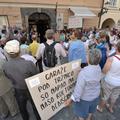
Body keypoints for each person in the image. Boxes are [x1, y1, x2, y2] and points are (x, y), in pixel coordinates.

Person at [3, 40, 41, 120]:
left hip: (18, 89)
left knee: (22, 108)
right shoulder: (28, 63)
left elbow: (7, 76)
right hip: (30, 89)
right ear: (19, 51)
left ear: (8, 53)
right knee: (35, 107)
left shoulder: (5, 65)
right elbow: (37, 76)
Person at [65, 48, 102, 120]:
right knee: (91, 111)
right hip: (95, 96)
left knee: (81, 114)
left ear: (88, 59)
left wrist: (70, 100)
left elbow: (78, 91)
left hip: (84, 99)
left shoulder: (83, 73)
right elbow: (92, 74)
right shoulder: (99, 67)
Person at [97, 41, 120, 113]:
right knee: (115, 96)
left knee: (105, 95)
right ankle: (110, 108)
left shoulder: (111, 59)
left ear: (116, 48)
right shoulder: (111, 58)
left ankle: (100, 108)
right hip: (119, 83)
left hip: (109, 81)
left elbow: (104, 70)